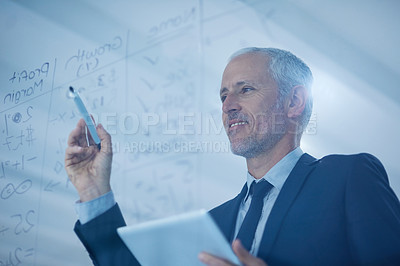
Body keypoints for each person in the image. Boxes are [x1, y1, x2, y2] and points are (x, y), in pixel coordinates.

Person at [65, 47, 400, 265]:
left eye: (245, 89)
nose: (227, 107)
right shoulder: (211, 224)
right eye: (223, 96)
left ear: (294, 102)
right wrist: (94, 192)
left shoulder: (348, 177)